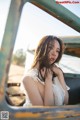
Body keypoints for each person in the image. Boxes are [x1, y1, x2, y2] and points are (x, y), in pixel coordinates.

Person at [22, 35, 69, 106]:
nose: (54, 54)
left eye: (57, 51)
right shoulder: (28, 78)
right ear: (41, 48)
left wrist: (60, 74)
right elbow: (44, 112)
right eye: (50, 48)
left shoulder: (55, 73)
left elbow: (66, 101)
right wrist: (48, 80)